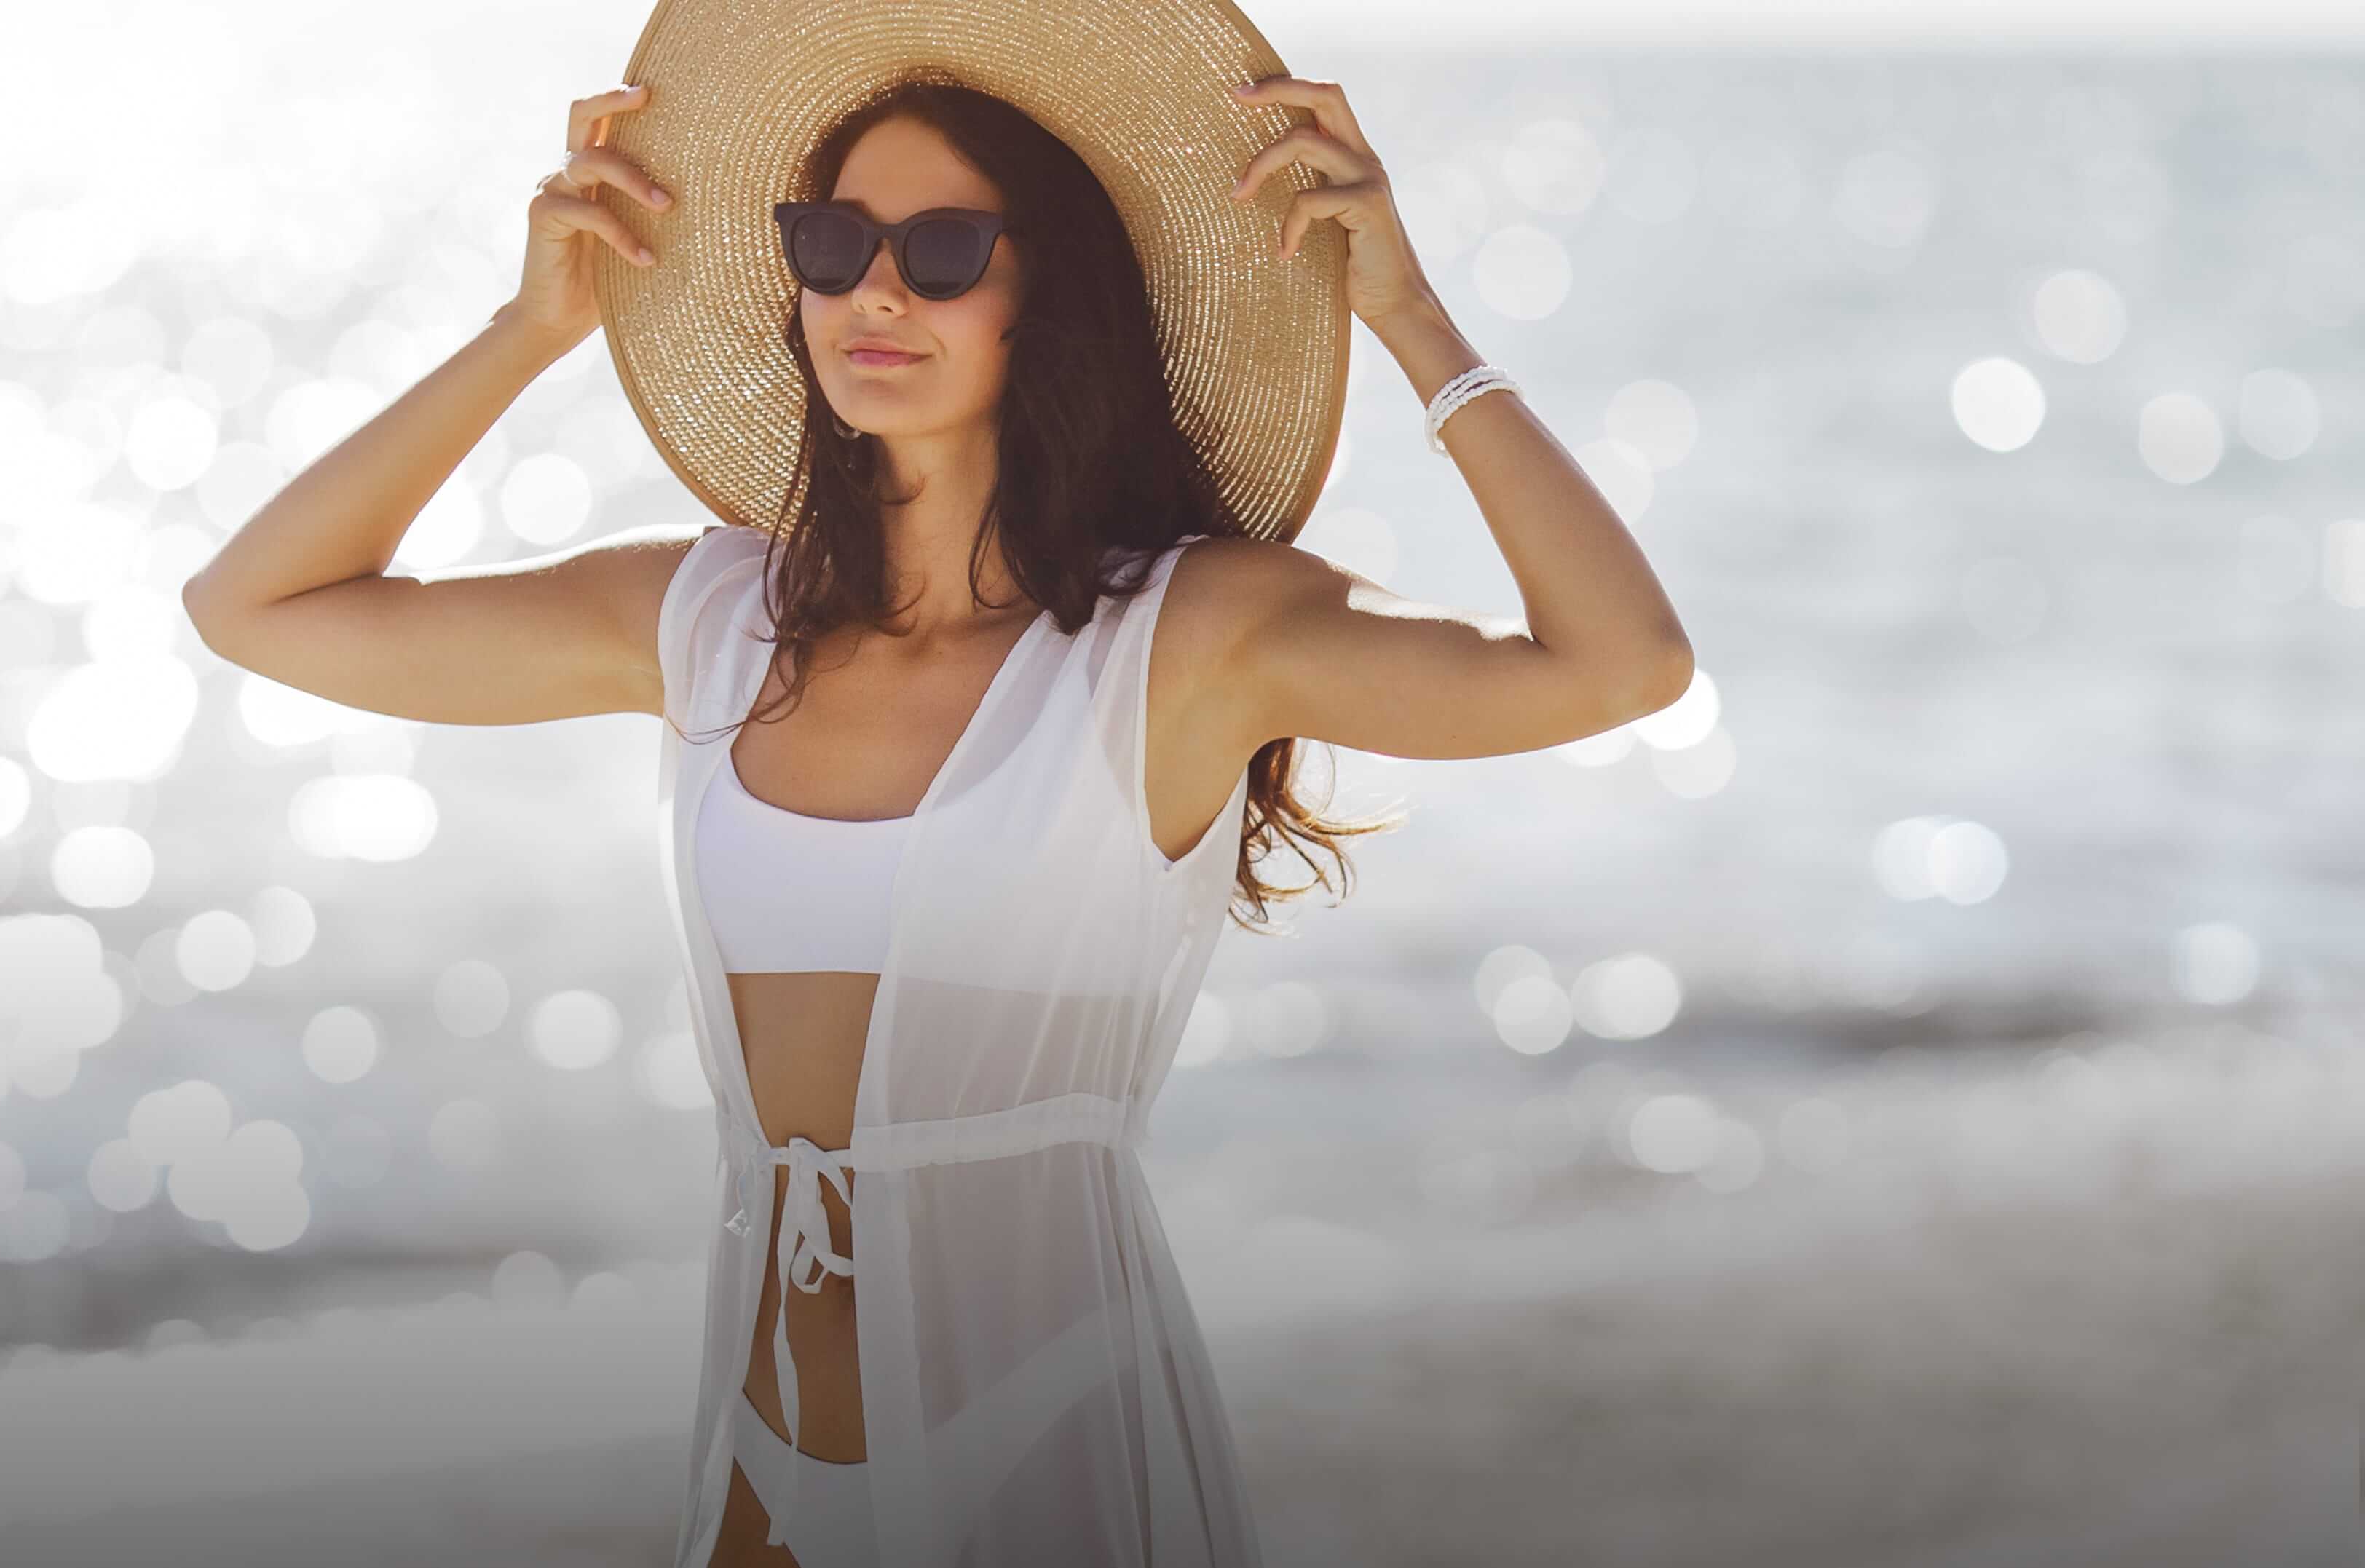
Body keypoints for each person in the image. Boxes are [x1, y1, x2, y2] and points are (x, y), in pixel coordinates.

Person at [183, 18, 1692, 1567]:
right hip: (758, 1458)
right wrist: (529, 332)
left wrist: (1414, 317)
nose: (875, 292)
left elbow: (1620, 665)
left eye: (945, 247)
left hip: (1047, 1445)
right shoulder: (710, 623)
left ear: (1052, 293)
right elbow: (258, 607)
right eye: (830, 244)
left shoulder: (1189, 640)